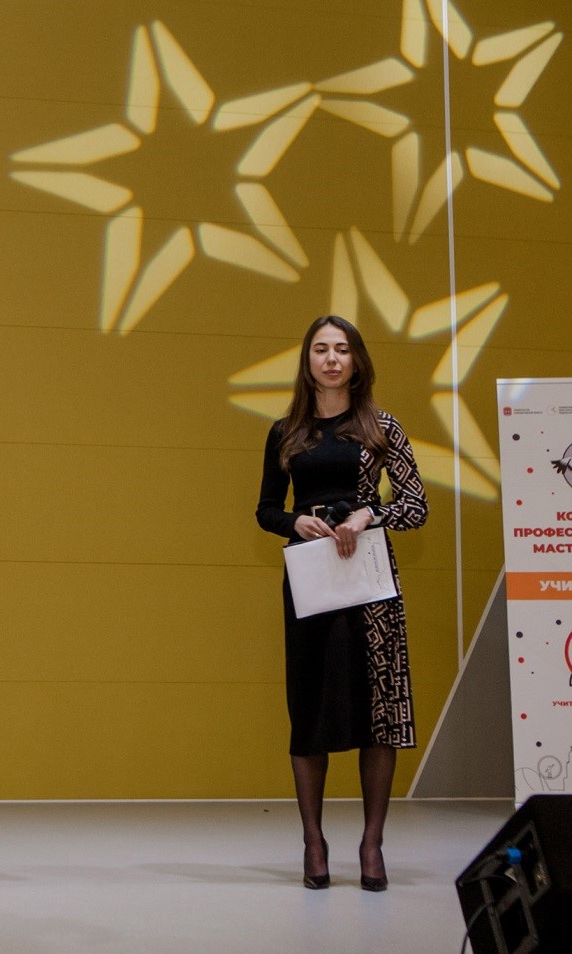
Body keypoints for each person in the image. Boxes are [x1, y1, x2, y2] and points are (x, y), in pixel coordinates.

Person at [255, 315, 428, 892]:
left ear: (357, 361)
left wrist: (368, 514)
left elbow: (416, 505)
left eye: (342, 349)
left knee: (377, 712)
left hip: (370, 583)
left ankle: (372, 843)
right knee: (309, 709)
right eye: (321, 349)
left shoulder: (382, 427)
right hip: (311, 579)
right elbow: (265, 510)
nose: (331, 359)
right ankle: (314, 841)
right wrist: (295, 522)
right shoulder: (286, 431)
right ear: (307, 361)